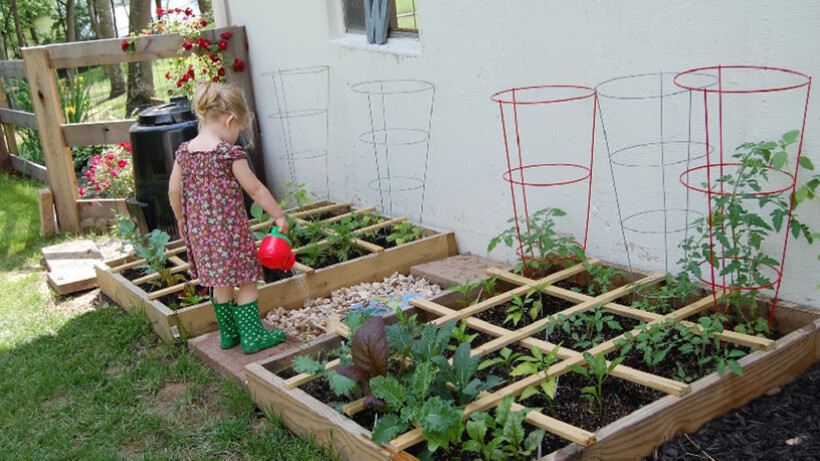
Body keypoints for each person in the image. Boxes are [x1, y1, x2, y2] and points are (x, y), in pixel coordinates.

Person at [168, 81, 288, 354]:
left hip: (201, 235)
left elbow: (174, 190)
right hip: (230, 234)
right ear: (230, 120)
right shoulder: (227, 154)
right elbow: (255, 189)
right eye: (239, 131)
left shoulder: (184, 153)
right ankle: (253, 338)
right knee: (246, 281)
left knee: (219, 282)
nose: (237, 137)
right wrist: (278, 215)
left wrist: (180, 220)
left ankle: (229, 335)